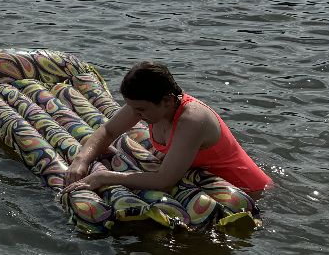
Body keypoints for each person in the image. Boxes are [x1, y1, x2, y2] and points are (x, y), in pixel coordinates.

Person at [62, 61, 271, 195]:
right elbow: (108, 131)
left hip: (249, 190)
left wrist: (104, 177)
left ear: (168, 101)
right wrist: (81, 161)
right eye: (134, 108)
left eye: (141, 110)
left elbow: (164, 180)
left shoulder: (192, 120)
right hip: (207, 183)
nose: (136, 114)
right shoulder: (150, 105)